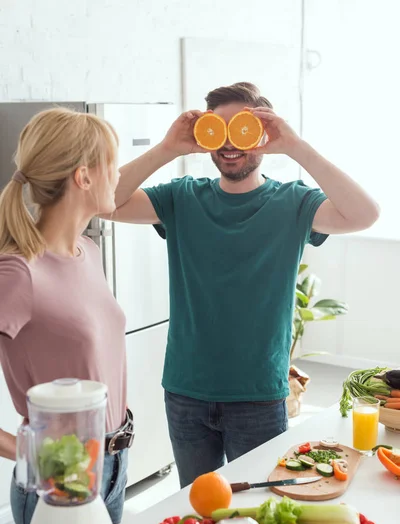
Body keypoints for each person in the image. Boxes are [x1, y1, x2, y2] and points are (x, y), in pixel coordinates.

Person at [109, 82, 380, 488]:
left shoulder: (294, 203)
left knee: (255, 509)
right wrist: (167, 149)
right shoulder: (181, 199)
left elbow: (365, 213)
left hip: (258, 395)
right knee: (197, 507)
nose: (230, 143)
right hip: (187, 393)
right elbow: (100, 200)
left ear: (263, 135)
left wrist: (295, 146)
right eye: (219, 129)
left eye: (243, 129)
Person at [0, 107, 134, 524]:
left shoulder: (88, 251)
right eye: (111, 164)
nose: (118, 176)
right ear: (83, 177)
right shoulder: (19, 272)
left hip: (114, 465)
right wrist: (29, 452)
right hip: (59, 479)